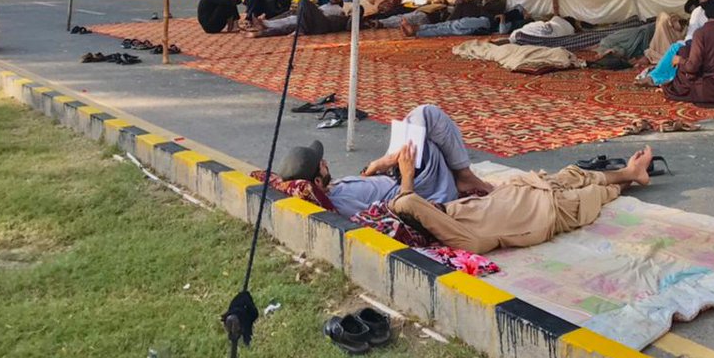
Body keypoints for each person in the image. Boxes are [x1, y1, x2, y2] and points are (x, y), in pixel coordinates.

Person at [390, 141, 654, 254]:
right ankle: (631, 177)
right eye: (427, 208)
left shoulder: (450, 211)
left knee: (572, 174)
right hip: (547, 212)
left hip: (530, 189)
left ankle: (630, 172)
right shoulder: (461, 238)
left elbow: (410, 205)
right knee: (594, 195)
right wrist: (407, 177)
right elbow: (406, 202)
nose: (430, 203)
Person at [274, 104, 493, 218]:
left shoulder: (331, 189)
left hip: (391, 173)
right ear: (317, 182)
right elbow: (393, 213)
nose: (325, 162)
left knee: (417, 124)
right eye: (321, 164)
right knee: (428, 116)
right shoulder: (341, 204)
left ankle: (460, 174)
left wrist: (377, 165)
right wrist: (407, 175)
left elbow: (366, 189)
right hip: (413, 188)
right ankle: (464, 177)